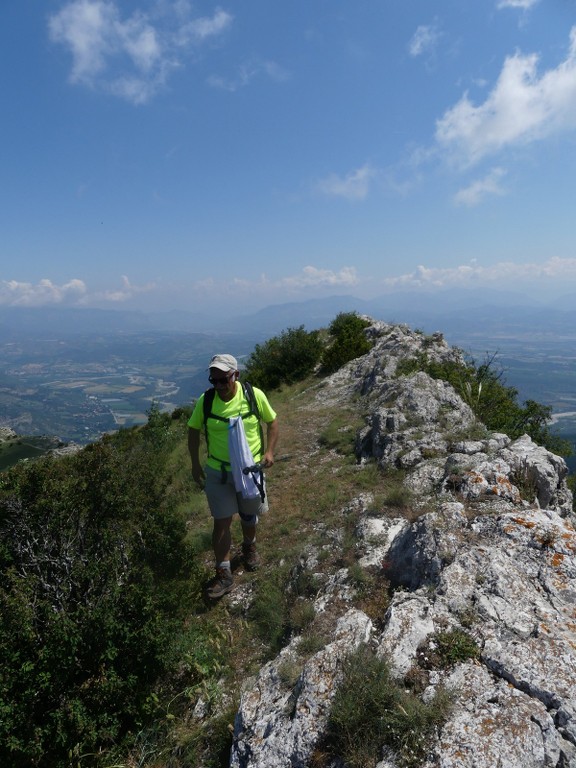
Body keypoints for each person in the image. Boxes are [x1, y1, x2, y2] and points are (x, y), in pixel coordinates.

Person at [187, 354, 279, 598]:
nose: (218, 385)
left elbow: (272, 422)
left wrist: (269, 451)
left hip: (249, 470)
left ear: (235, 375)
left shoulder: (253, 395)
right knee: (222, 520)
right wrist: (196, 464)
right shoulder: (205, 401)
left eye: (223, 380)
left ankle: (249, 546)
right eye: (213, 380)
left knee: (248, 516)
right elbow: (193, 431)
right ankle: (224, 573)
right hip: (218, 472)